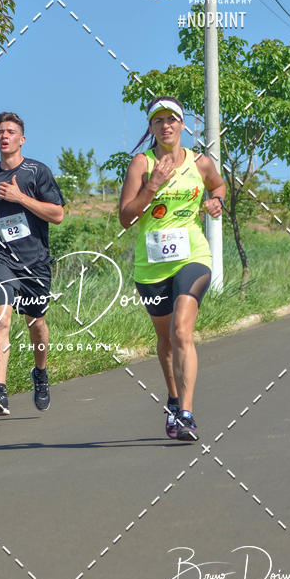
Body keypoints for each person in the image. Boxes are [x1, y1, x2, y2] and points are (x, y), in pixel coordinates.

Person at [119, 96, 226, 441]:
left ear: (183, 124)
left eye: (172, 119)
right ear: (151, 127)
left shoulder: (201, 162)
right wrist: (152, 185)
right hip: (151, 265)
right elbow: (126, 218)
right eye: (158, 120)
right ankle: (174, 398)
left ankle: (187, 415)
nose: (166, 125)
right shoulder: (141, 163)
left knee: (182, 331)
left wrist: (216, 201)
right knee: (165, 339)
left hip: (192, 255)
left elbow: (219, 185)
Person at [0, 112, 65, 415]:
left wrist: (20, 197)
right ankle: (0, 392)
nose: (4, 136)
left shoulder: (37, 171)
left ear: (22, 139)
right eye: (0, 132)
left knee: (36, 323)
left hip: (34, 260)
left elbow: (57, 214)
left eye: (10, 131)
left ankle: (40, 373)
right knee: (2, 319)